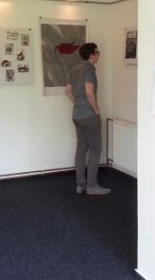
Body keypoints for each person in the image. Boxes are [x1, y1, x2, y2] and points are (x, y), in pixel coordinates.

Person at [65, 42, 111, 196]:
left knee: (81, 148)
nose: (99, 55)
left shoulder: (75, 69)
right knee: (95, 149)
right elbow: (89, 92)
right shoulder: (89, 70)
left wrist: (78, 103)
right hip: (89, 116)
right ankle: (92, 186)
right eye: (97, 52)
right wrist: (96, 110)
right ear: (92, 55)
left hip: (77, 115)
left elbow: (68, 91)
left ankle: (80, 185)